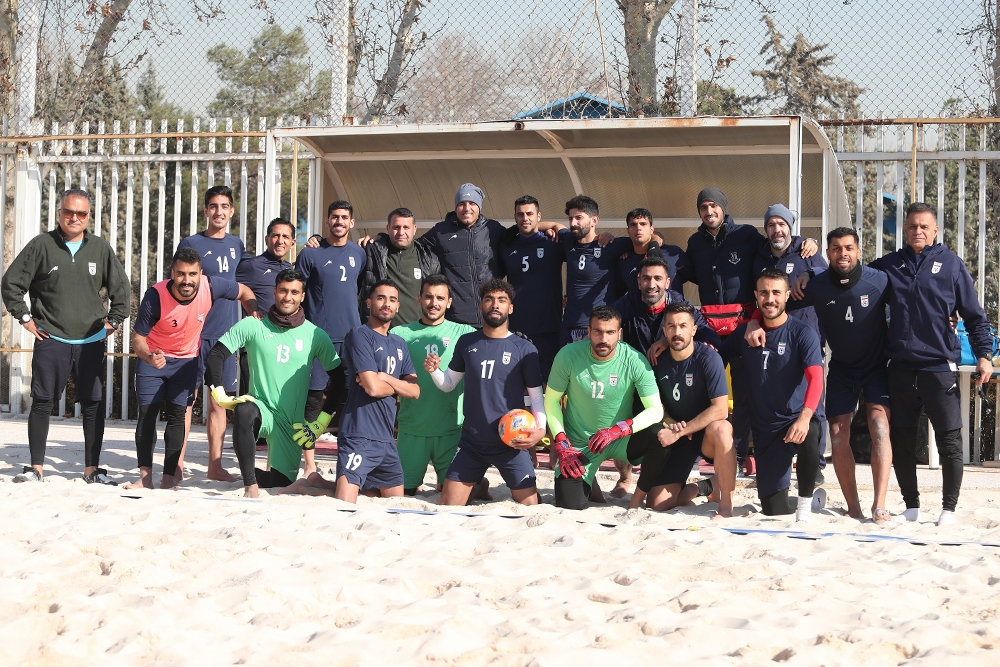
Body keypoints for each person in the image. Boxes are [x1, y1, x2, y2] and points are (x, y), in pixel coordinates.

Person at [748, 227, 893, 522]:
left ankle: (879, 504)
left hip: (876, 367)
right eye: (836, 248)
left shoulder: (878, 280)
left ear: (858, 251)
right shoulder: (816, 285)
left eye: (848, 248)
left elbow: (911, 302)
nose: (843, 254)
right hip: (842, 368)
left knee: (879, 427)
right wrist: (753, 320)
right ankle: (853, 508)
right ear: (828, 254)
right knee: (838, 436)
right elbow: (776, 304)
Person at [673, 187, 818, 475]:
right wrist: (655, 243)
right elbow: (682, 270)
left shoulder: (747, 235)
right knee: (701, 389)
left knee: (742, 393)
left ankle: (738, 455)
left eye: (714, 205)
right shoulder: (695, 242)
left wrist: (807, 242)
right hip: (709, 328)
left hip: (743, 325)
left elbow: (778, 244)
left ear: (723, 207)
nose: (709, 211)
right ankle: (696, 452)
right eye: (704, 207)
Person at [870, 203, 992, 526]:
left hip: (939, 368)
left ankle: (948, 509)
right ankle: (911, 506)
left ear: (936, 230)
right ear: (905, 229)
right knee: (903, 441)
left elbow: (975, 316)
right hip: (900, 368)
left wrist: (984, 355)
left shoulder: (951, 265)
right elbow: (852, 277)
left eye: (924, 226)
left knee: (949, 441)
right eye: (912, 226)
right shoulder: (889, 265)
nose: (918, 231)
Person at [2, 189, 130, 484]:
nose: (74, 218)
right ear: (59, 213)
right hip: (51, 338)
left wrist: (112, 323)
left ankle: (91, 470)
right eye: (68, 212)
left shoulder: (99, 248)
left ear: (88, 216)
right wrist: (25, 319)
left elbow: (121, 291)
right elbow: (11, 284)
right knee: (42, 402)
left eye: (81, 213)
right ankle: (36, 468)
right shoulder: (41, 245)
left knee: (93, 405)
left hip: (90, 342)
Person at [205, 269, 341, 497]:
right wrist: (218, 392)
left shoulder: (315, 334)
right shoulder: (253, 325)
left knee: (280, 481)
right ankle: (250, 485)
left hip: (290, 424)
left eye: (294, 292)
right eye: (283, 291)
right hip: (261, 409)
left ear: (302, 296)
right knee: (245, 410)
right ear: (275, 291)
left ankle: (269, 477)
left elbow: (338, 378)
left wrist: (321, 423)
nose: (288, 297)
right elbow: (215, 355)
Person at [128, 247, 256, 489]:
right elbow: (137, 338)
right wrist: (149, 356)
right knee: (147, 417)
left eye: (192, 274)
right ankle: (145, 478)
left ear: (201, 274)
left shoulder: (211, 286)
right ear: (172, 273)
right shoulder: (155, 296)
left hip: (186, 361)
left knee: (177, 418)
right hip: (154, 360)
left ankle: (169, 478)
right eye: (181, 274)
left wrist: (254, 314)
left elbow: (244, 291)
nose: (186, 280)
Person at [281, 281, 419, 502]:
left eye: (392, 300)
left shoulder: (399, 343)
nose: (387, 304)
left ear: (398, 306)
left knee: (390, 501)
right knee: (345, 503)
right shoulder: (360, 335)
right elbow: (373, 388)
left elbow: (415, 391)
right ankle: (303, 488)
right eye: (381, 298)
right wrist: (397, 387)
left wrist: (386, 378)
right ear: (368, 302)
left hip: (386, 439)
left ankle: (316, 482)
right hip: (358, 435)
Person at [425, 279, 547, 505]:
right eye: (489, 299)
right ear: (481, 306)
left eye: (502, 300)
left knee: (530, 506)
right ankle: (479, 484)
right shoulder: (467, 342)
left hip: (511, 443)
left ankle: (484, 484)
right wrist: (434, 371)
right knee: (447, 506)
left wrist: (540, 430)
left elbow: (537, 397)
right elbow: (448, 384)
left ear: (510, 308)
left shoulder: (524, 348)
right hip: (473, 443)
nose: (495, 305)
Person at [720, 269, 827, 521]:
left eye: (776, 293)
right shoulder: (744, 333)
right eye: (764, 293)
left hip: (794, 421)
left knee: (810, 430)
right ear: (756, 295)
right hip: (766, 431)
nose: (770, 299)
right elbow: (713, 358)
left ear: (787, 295)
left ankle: (805, 505)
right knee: (773, 509)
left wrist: (803, 418)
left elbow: (816, 379)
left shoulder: (802, 333)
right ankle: (814, 501)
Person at [544, 306, 665, 510]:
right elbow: (552, 401)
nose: (604, 339)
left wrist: (617, 430)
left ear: (619, 333)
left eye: (610, 332)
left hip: (620, 439)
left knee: (660, 435)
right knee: (570, 504)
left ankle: (639, 493)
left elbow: (656, 410)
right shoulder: (568, 355)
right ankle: (589, 478)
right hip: (580, 443)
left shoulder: (634, 359)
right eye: (598, 331)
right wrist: (562, 443)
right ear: (588, 331)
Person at [175, 185, 252, 482]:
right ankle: (176, 464)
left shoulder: (236, 244)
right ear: (206, 210)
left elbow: (252, 278)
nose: (219, 211)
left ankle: (215, 466)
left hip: (226, 338)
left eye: (224, 206)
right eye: (213, 206)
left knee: (219, 402)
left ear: (231, 211)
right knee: (185, 401)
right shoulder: (191, 243)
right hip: (194, 335)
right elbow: (177, 285)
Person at [631, 302, 736, 517]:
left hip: (703, 435)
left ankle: (726, 505)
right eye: (671, 326)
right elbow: (654, 404)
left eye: (683, 326)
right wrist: (671, 423)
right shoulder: (657, 360)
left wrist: (682, 430)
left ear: (694, 329)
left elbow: (721, 409)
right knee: (657, 504)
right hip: (677, 436)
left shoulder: (708, 358)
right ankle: (707, 486)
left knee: (723, 428)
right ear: (664, 330)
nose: (677, 332)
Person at [752, 204, 830, 481]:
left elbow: (828, 275)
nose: (777, 230)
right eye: (772, 225)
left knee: (813, 399)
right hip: (772, 339)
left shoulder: (806, 252)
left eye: (782, 224)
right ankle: (779, 458)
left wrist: (810, 273)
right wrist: (753, 321)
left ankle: (815, 463)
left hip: (806, 336)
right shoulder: (760, 256)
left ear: (790, 227)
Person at [392, 275, 475, 494]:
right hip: (412, 429)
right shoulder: (399, 334)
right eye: (428, 297)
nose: (433, 303)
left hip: (451, 431)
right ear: (419, 299)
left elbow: (492, 345)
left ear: (449, 302)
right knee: (403, 492)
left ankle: (474, 484)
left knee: (458, 493)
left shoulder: (465, 334)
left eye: (440, 298)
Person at [295, 200, 367, 425]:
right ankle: (307, 444)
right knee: (314, 393)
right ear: (327, 221)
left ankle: (343, 438)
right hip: (319, 336)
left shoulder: (359, 253)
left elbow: (359, 288)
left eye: (344, 217)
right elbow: (297, 292)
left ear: (351, 222)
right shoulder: (310, 254)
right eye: (335, 217)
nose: (339, 221)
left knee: (349, 391)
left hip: (351, 336)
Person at [415, 183, 507, 327]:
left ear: (479, 207)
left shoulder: (493, 229)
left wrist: (545, 227)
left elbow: (520, 235)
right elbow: (411, 245)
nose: (466, 208)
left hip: (490, 316)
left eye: (472, 203)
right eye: (462, 204)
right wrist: (383, 239)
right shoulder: (441, 231)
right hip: (457, 320)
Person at [499, 195, 565, 380]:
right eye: (520, 214)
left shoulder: (553, 243)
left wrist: (553, 226)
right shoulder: (506, 246)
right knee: (517, 384)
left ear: (539, 216)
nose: (525, 218)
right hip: (517, 328)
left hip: (549, 329)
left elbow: (579, 244)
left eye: (529, 214)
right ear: (515, 217)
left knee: (549, 385)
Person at [560, 195, 635, 347]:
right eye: (570, 218)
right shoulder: (568, 241)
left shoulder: (609, 245)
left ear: (594, 220)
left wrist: (656, 242)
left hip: (599, 328)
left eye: (579, 218)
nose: (573, 223)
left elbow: (648, 238)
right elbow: (553, 226)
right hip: (569, 325)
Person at [613, 256, 721, 355]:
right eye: (646, 278)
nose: (651, 285)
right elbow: (606, 323)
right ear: (639, 282)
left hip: (672, 367)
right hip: (636, 367)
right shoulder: (626, 304)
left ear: (667, 283)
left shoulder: (680, 304)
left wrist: (670, 339)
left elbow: (705, 331)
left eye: (658, 278)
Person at [360, 207, 441, 327]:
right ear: (388, 228)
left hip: (416, 332)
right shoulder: (372, 252)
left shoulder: (429, 259)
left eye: (406, 227)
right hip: (380, 331)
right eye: (396, 227)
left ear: (414, 229)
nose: (401, 232)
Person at [616, 208, 688, 296]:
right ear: (628, 230)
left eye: (643, 224)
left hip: (673, 305)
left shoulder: (672, 253)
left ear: (651, 229)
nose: (638, 228)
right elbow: (618, 293)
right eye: (633, 225)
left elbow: (698, 278)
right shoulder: (624, 261)